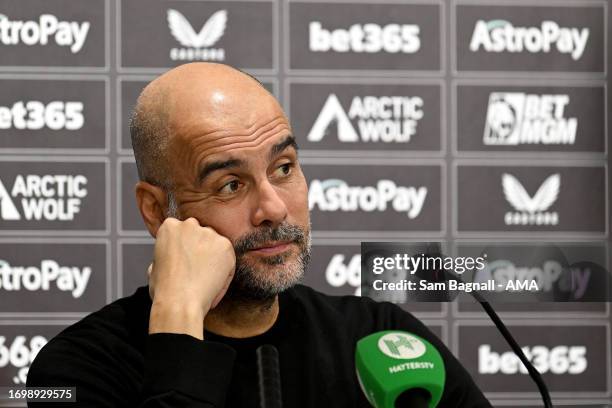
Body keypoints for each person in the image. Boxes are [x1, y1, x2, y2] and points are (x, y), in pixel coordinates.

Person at [27, 62, 491, 407]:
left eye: (283, 168)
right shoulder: (70, 371)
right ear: (155, 209)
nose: (273, 207)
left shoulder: (381, 341)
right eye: (230, 184)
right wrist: (180, 313)